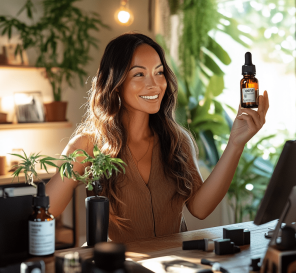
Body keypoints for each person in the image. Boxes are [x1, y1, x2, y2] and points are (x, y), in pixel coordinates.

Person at [46, 32, 269, 243]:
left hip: (175, 264)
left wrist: (235, 144)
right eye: (139, 74)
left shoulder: (177, 140)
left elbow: (200, 209)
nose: (154, 84)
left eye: (159, 72)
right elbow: (46, 212)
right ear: (115, 82)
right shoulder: (87, 145)